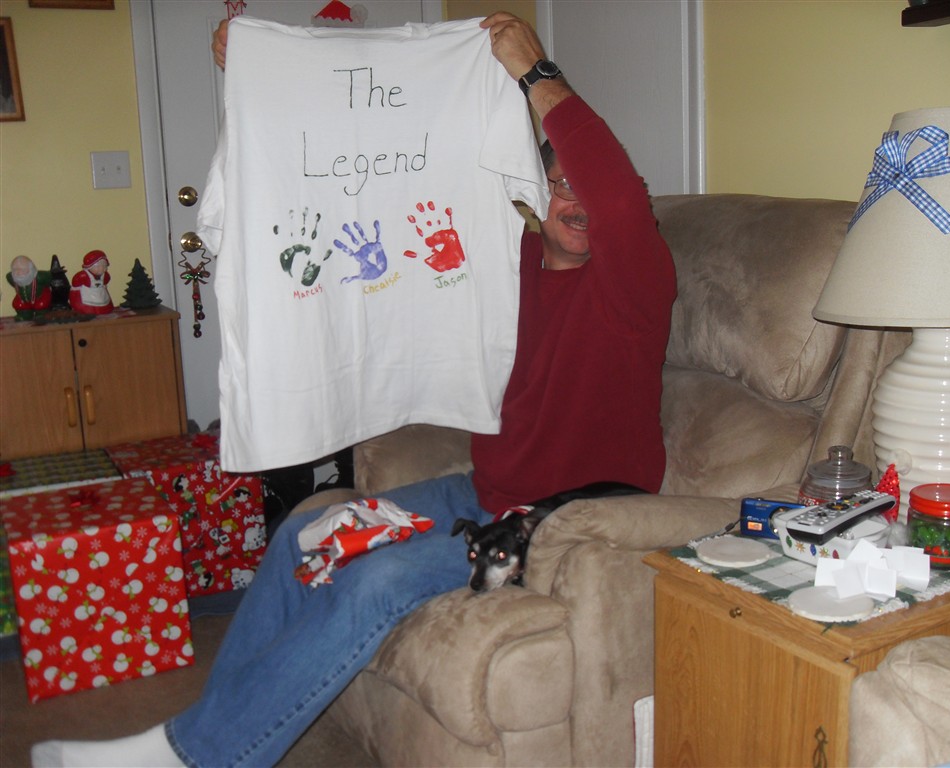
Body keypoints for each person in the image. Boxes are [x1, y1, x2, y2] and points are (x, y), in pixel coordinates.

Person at [32, 11, 675, 767]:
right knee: (299, 538)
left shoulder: (635, 284)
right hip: (485, 494)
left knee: (377, 580)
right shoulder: (501, 268)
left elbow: (616, 200)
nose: (578, 201)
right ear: (536, 190)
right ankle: (205, 737)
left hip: (572, 519)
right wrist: (264, 81)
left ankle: (187, 758)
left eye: (590, 185)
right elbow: (377, 175)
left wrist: (536, 74)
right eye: (559, 182)